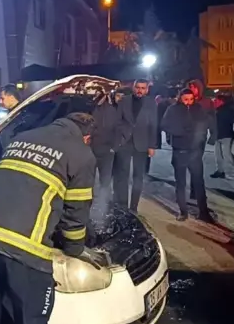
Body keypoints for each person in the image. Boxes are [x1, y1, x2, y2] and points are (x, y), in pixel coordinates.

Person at [0, 112, 108, 324]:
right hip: (24, 250)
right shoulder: (81, 154)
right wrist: (76, 250)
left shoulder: (22, 137)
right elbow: (75, 214)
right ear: (86, 136)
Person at [161, 88, 213, 222]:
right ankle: (183, 211)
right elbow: (165, 125)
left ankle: (204, 211)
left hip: (195, 151)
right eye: (185, 99)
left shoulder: (198, 109)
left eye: (191, 99)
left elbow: (205, 123)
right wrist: (181, 132)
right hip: (180, 151)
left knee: (198, 182)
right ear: (180, 98)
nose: (188, 102)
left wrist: (199, 137)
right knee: (181, 183)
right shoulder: (173, 109)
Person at [114, 79, 158, 211]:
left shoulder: (151, 103)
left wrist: (152, 145)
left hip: (142, 143)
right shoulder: (124, 101)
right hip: (125, 142)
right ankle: (122, 206)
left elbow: (154, 125)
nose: (140, 90)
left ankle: (133, 207)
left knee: (138, 176)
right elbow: (117, 120)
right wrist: (119, 137)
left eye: (143, 88)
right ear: (133, 88)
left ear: (147, 89)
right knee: (122, 175)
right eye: (138, 87)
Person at [91, 91, 125, 205]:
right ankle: (94, 201)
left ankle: (103, 202)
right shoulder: (93, 109)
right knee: (92, 178)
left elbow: (118, 130)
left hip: (105, 150)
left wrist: (114, 147)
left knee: (104, 179)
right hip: (94, 149)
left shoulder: (114, 111)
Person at [211, 92, 234, 179]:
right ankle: (220, 170)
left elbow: (230, 121)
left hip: (226, 134)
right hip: (218, 134)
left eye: (216, 100)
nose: (214, 101)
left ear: (222, 101)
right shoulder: (216, 110)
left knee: (227, 154)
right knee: (218, 154)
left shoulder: (226, 110)